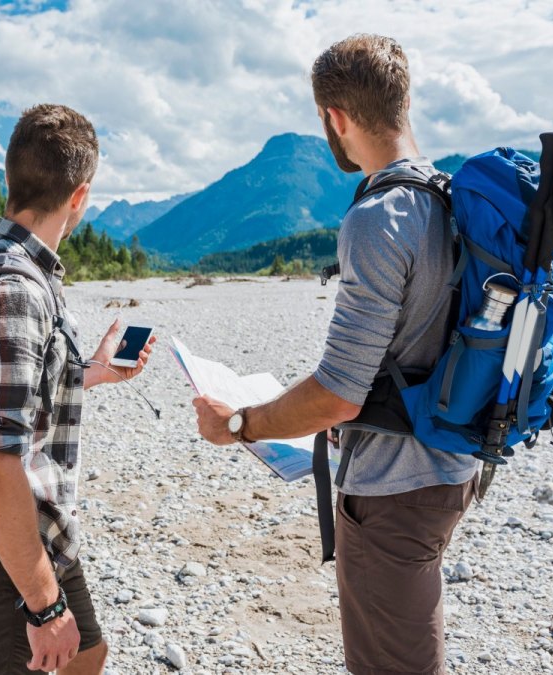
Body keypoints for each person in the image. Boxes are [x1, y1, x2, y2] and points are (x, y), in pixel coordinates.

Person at [193, 34, 479, 675]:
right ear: (403, 103)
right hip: (454, 464)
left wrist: (240, 423)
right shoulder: (454, 199)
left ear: (337, 118)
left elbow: (339, 394)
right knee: (412, 640)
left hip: (395, 488)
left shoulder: (380, 218)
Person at [0, 103, 155, 674]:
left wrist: (91, 373)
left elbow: (10, 397)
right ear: (79, 196)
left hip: (40, 531)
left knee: (87, 653)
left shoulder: (20, 275)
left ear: (10, 180)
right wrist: (43, 606)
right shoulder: (12, 292)